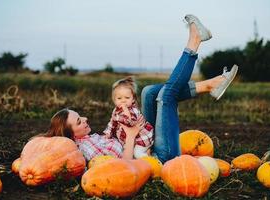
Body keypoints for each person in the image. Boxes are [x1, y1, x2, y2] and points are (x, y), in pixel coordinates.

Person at [43, 14, 238, 163]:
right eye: (79, 121)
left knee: (149, 92)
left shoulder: (88, 138)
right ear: (71, 135)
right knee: (166, 97)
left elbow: (111, 134)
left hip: (145, 143)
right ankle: (194, 41)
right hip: (158, 159)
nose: (84, 119)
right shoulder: (84, 150)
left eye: (80, 117)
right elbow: (124, 165)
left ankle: (210, 85)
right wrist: (129, 136)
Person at [103, 76, 154, 158]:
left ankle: (151, 163)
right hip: (130, 138)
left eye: (127, 98)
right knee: (127, 152)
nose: (123, 100)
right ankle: (147, 151)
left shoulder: (133, 110)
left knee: (137, 154)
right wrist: (107, 133)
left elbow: (130, 123)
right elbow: (111, 123)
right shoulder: (116, 111)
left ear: (133, 99)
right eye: (119, 98)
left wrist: (126, 111)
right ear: (114, 100)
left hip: (142, 139)